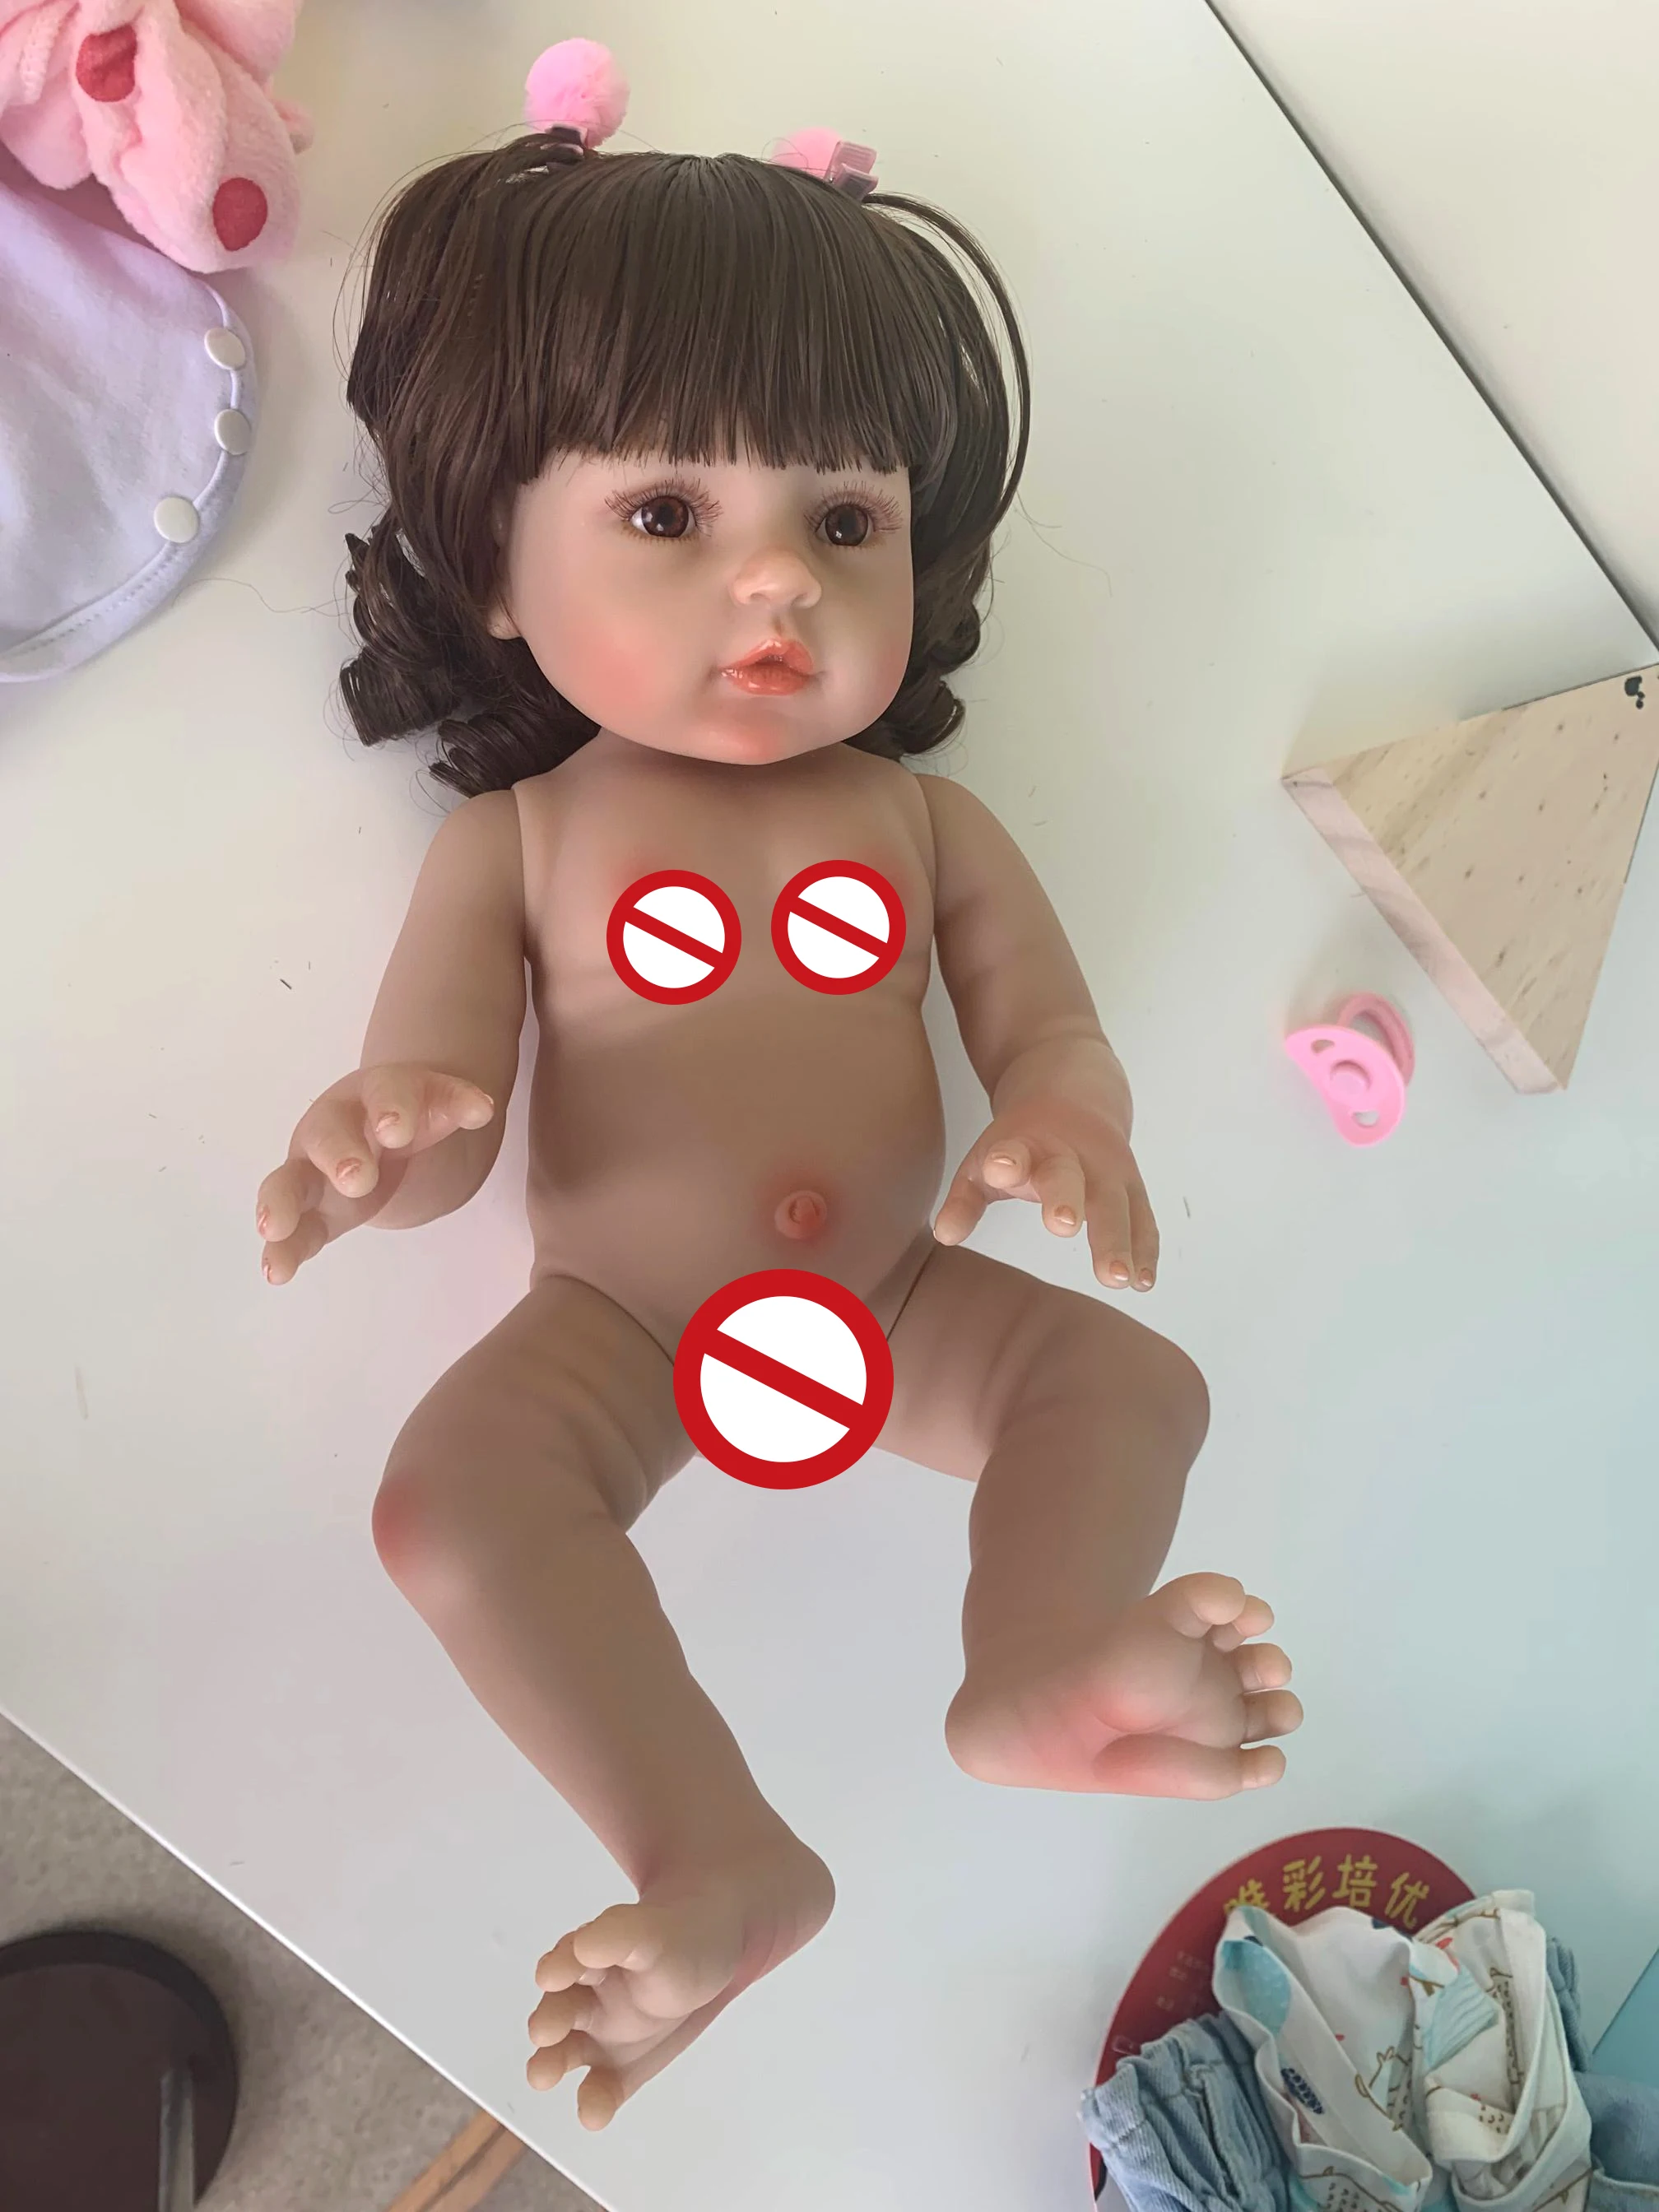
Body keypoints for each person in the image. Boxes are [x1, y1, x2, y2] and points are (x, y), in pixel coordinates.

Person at [253, 40, 1304, 2131]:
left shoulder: (923, 824)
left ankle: (1040, 1661)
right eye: (668, 512)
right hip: (622, 1325)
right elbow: (444, 1093)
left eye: (843, 518)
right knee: (452, 1502)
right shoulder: (523, 842)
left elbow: (1045, 1027)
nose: (780, 582)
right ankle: (715, 1853)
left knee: (1129, 1387)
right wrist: (389, 1142)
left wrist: (1067, 1120)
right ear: (495, 568)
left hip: (899, 1298)